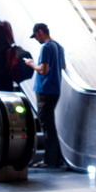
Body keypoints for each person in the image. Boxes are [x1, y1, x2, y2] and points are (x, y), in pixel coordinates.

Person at [26, 22, 66, 168]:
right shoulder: (59, 46)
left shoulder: (46, 47)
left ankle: (50, 160)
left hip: (45, 90)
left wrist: (31, 64)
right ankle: (56, 158)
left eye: (36, 36)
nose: (36, 39)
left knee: (47, 126)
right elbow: (63, 66)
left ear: (40, 32)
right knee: (50, 125)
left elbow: (43, 70)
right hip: (55, 89)